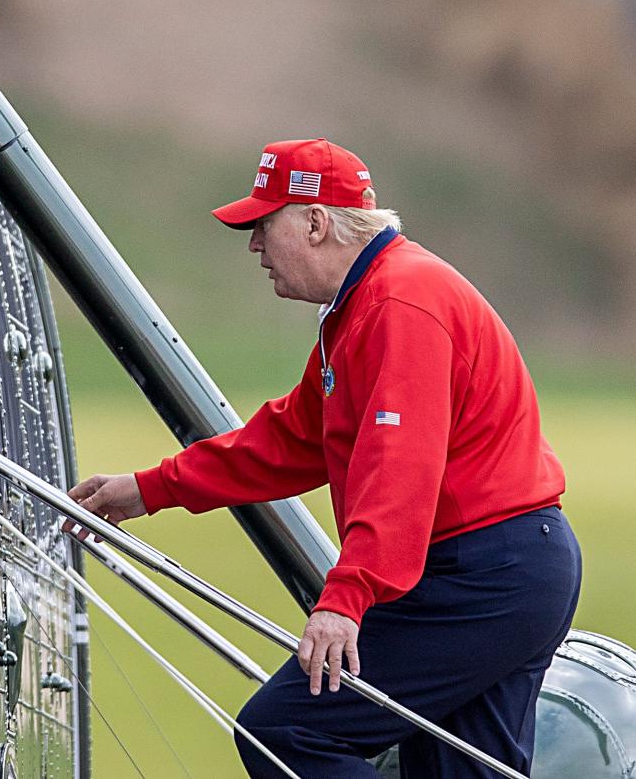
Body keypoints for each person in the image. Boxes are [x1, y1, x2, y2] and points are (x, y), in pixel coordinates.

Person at [63, 138, 581, 777]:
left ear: (315, 221)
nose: (253, 245)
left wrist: (345, 599)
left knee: (283, 732)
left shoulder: (399, 303)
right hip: (503, 568)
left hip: (483, 575)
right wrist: (146, 490)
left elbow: (399, 474)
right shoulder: (367, 303)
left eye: (263, 224)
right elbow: (291, 440)